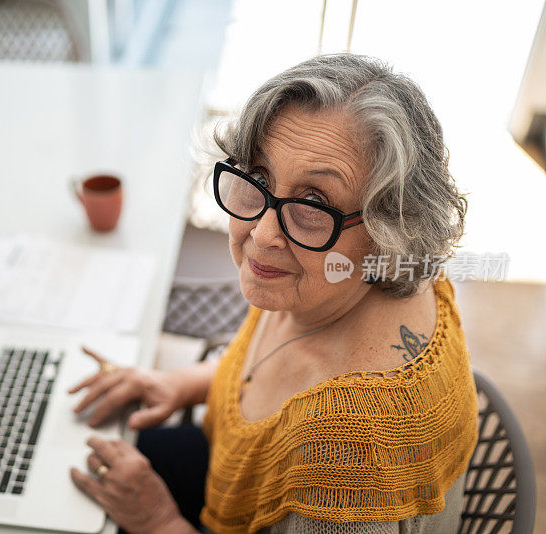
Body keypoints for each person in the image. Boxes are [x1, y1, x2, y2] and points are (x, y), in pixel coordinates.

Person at [67, 53, 478, 534]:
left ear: (390, 229)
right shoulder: (333, 280)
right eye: (259, 178)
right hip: (229, 466)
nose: (262, 234)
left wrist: (157, 520)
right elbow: (270, 367)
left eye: (312, 203)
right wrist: (183, 384)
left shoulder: (345, 453)